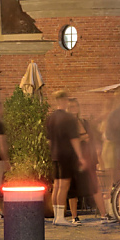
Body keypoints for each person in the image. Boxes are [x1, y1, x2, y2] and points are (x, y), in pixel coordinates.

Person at [45, 91, 86, 226]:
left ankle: (57, 216)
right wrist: (80, 156)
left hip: (54, 154)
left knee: (56, 185)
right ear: (64, 100)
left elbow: (49, 140)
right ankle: (60, 218)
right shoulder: (68, 118)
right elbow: (74, 139)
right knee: (64, 186)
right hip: (66, 154)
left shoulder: (50, 118)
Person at [67, 98, 109, 222]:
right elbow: (68, 142)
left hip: (88, 158)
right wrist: (82, 138)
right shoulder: (67, 125)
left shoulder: (84, 122)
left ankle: (104, 214)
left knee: (94, 185)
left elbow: (92, 138)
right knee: (73, 188)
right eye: (71, 107)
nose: (74, 109)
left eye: (75, 106)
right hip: (74, 159)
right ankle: (74, 217)